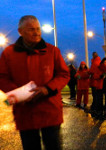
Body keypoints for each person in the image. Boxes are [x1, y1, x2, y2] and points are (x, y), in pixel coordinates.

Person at [0, 15, 70, 150]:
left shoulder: (52, 51)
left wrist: (47, 89)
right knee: (30, 146)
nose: (37, 32)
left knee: (53, 145)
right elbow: (2, 77)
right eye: (31, 29)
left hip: (49, 109)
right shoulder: (9, 53)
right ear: (20, 31)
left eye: (38, 29)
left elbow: (64, 74)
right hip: (25, 111)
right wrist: (20, 94)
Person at [89, 52, 101, 116]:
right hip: (96, 81)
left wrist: (89, 72)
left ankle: (95, 106)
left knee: (95, 95)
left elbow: (91, 70)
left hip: (94, 81)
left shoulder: (95, 62)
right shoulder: (98, 61)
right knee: (97, 95)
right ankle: (96, 106)